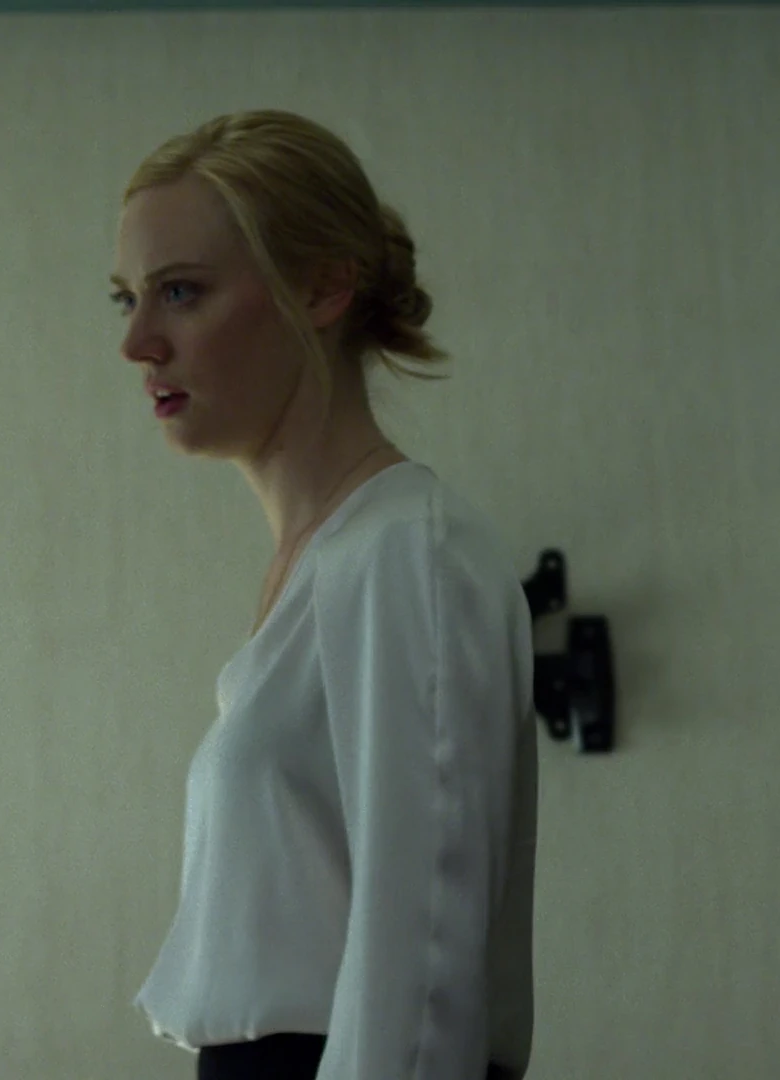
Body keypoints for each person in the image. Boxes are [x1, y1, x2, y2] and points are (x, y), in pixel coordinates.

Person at [112, 110, 537, 1080]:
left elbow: (422, 980)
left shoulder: (407, 555)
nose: (137, 341)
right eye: (126, 298)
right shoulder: (327, 564)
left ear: (322, 287)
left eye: (180, 292)